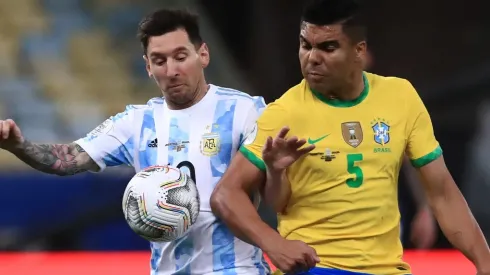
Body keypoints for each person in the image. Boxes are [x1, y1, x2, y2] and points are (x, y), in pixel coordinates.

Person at [210, 0, 490, 274]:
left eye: (328, 47)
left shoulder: (400, 97)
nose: (312, 57)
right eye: (305, 45)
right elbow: (226, 194)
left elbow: (442, 193)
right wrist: (274, 244)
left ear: (359, 51)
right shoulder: (283, 113)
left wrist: (484, 261)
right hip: (318, 267)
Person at [0, 8, 270, 275]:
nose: (172, 70)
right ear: (148, 67)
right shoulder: (137, 122)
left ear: (203, 55)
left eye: (180, 56)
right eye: (159, 60)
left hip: (237, 268)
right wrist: (20, 146)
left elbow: (278, 188)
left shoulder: (245, 111)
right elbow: (69, 158)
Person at [364, 50, 437, 249]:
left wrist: (425, 209)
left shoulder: (387, 106)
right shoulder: (306, 108)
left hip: (384, 222)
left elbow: (412, 161)